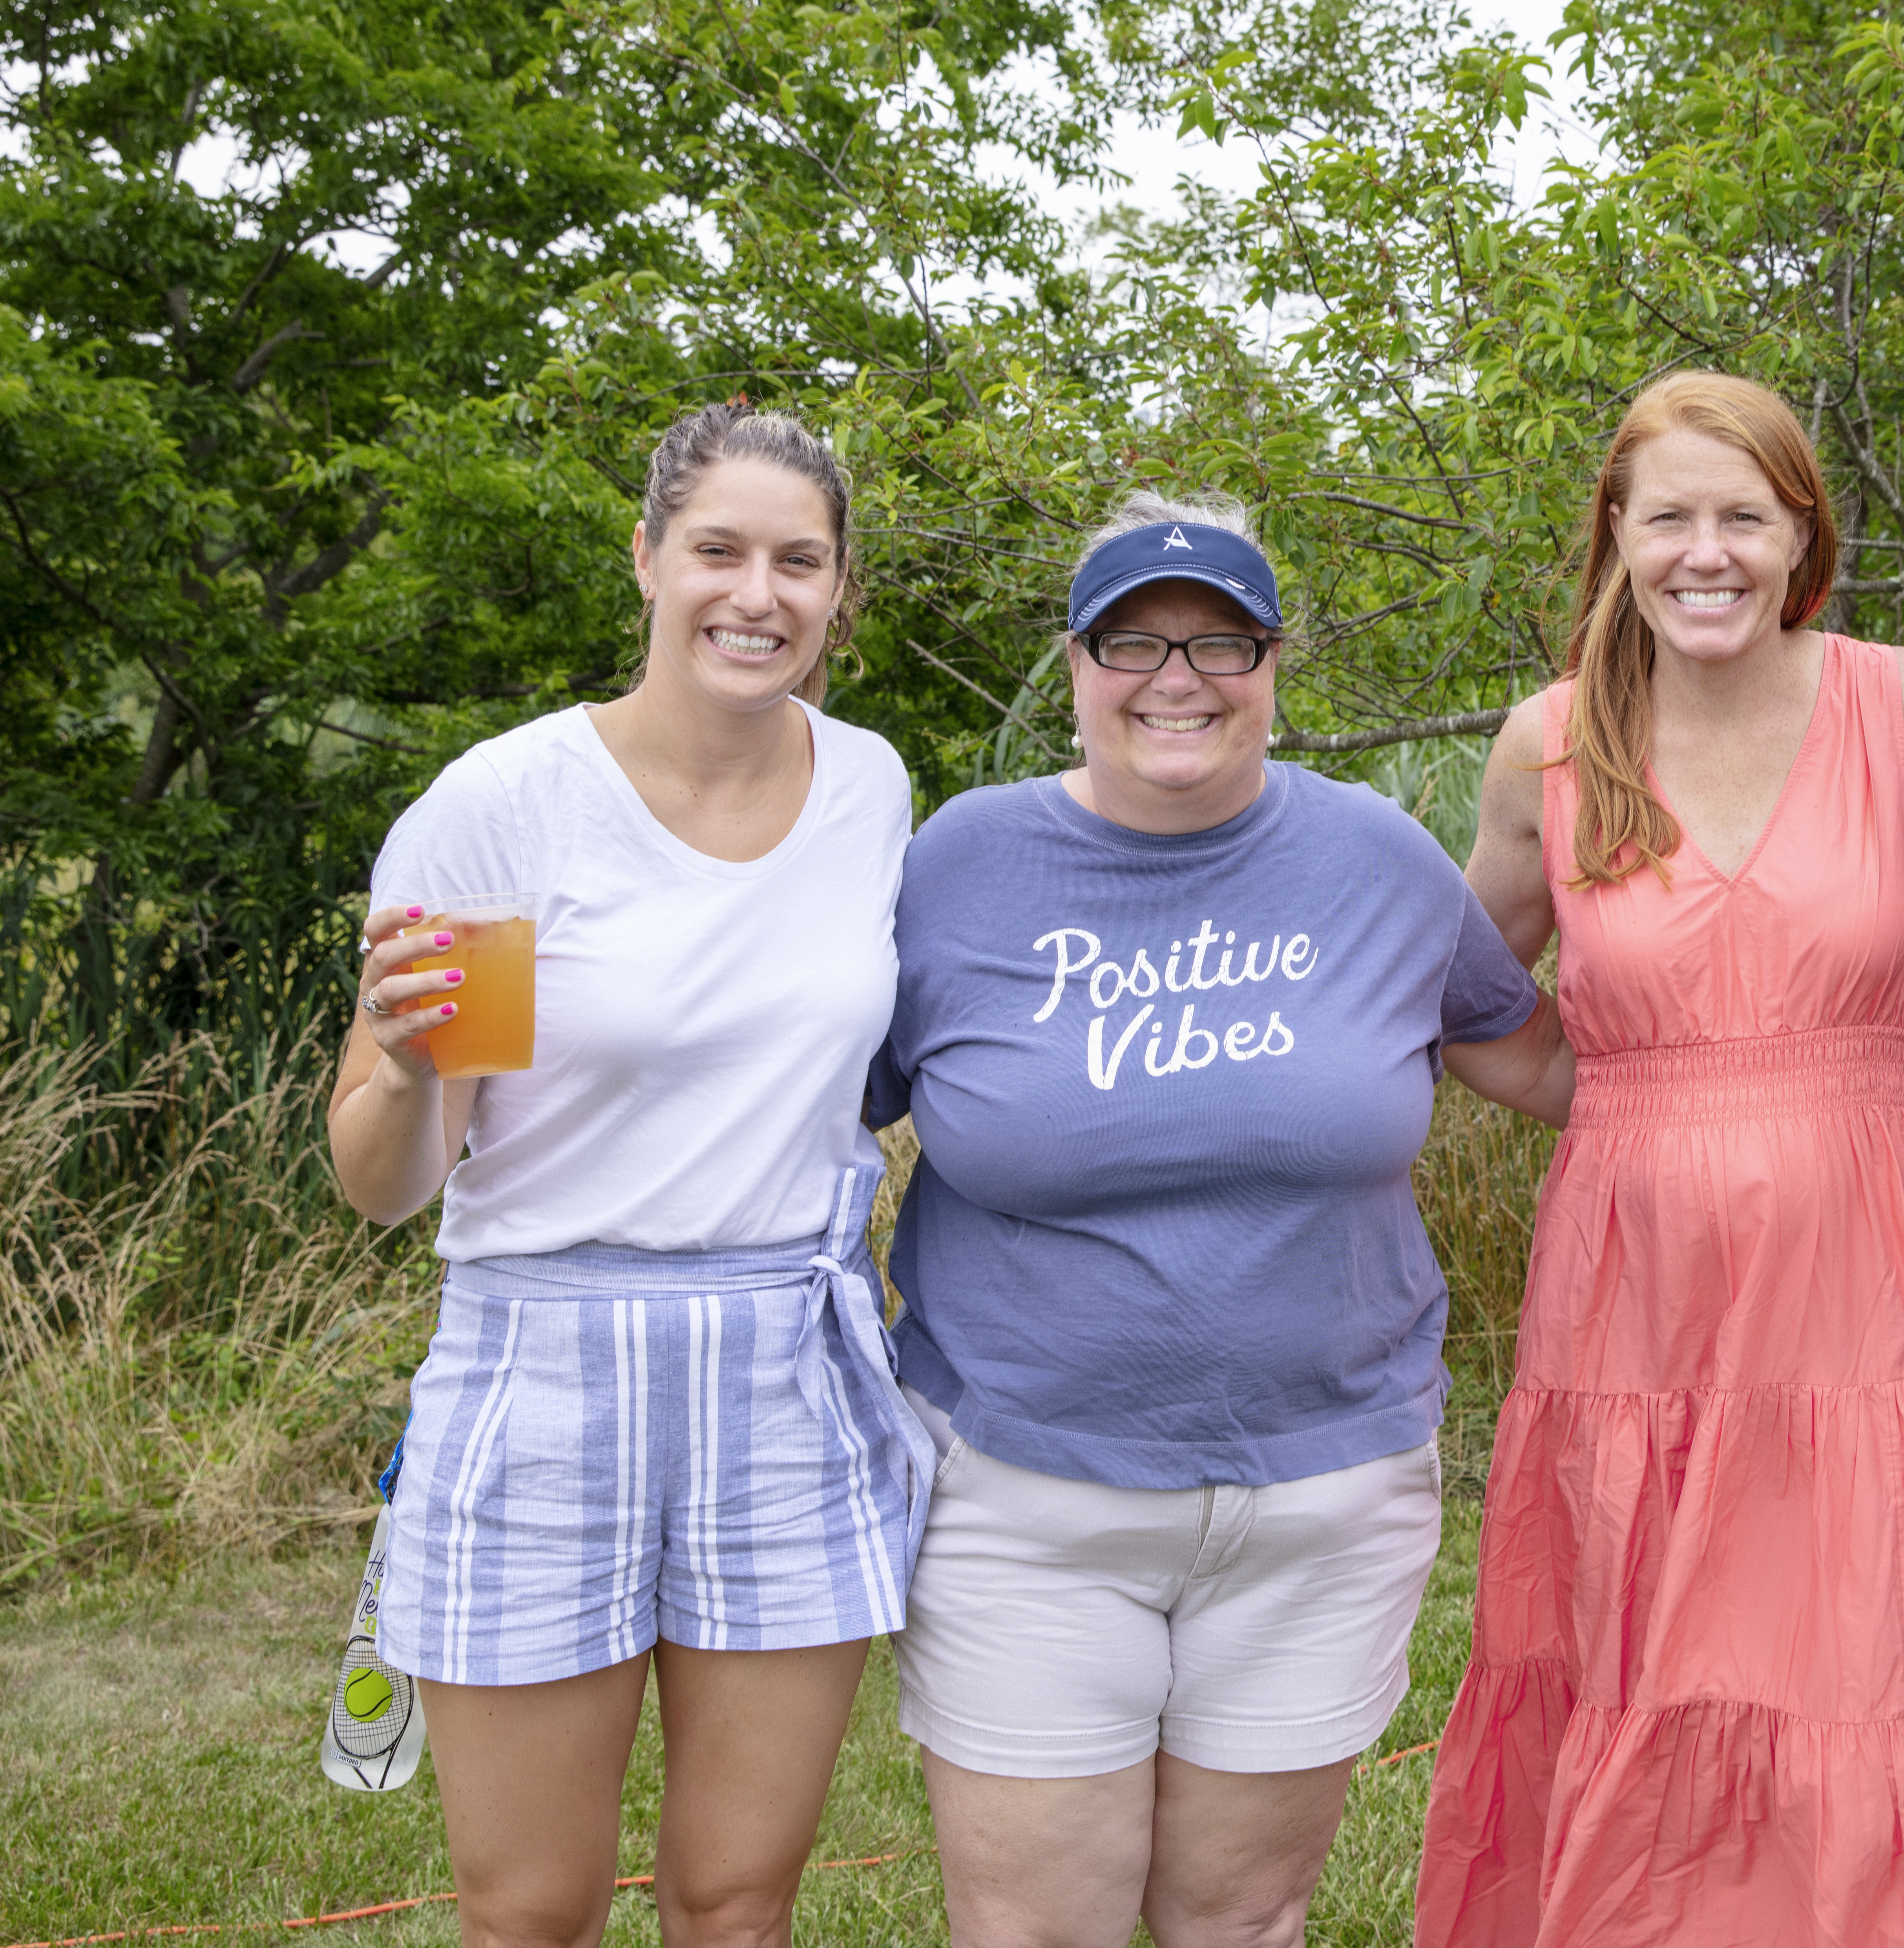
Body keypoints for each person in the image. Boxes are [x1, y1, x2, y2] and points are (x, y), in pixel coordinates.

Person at [867, 491, 1571, 1948]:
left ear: (1272, 664)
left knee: (1243, 1921)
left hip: (1325, 1498)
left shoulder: (1378, 858)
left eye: (1220, 641)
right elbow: (804, 1107)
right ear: (1072, 662)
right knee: (1034, 1930)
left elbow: (1548, 1063)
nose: (1176, 677)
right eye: (1133, 638)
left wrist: (1806, 1057)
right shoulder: (956, 865)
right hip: (1024, 1493)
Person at [1413, 372, 1904, 1946]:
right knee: (1644, 1650)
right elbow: (1460, 998)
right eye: (1669, 517)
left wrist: (1819, 1067)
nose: (1706, 553)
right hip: (1634, 1296)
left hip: (1862, 1279)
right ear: (1615, 537)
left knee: (1855, 1645)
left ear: (1799, 536)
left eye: (1742, 517)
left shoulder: (1903, 702)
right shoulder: (1551, 742)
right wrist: (1641, 1093)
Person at [330, 403, 933, 1948]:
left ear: (839, 590)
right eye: (719, 549)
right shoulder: (506, 804)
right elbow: (386, 1181)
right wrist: (405, 1068)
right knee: (530, 1904)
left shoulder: (872, 789)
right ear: (648, 557)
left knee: (735, 1897)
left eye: (799, 560)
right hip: (544, 1357)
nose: (758, 592)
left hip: (786, 1355)